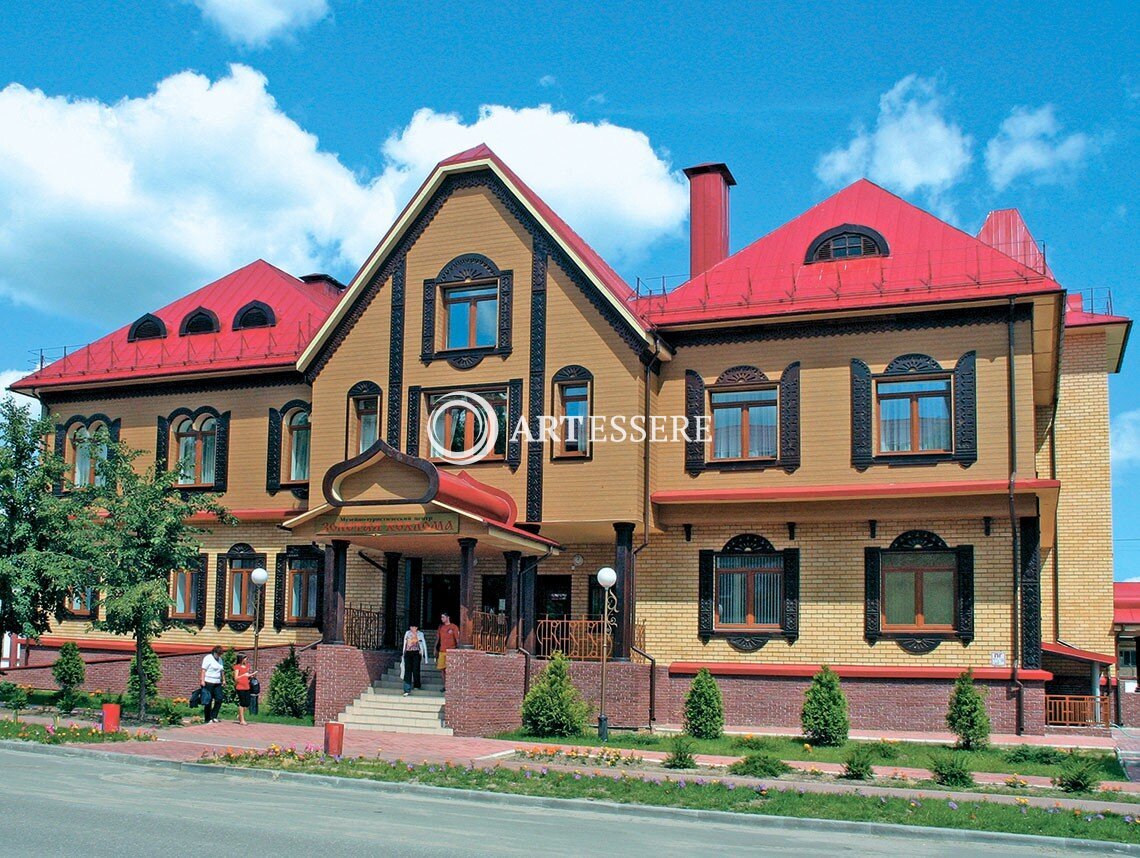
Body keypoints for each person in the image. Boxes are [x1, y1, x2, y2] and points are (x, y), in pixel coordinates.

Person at [435, 613, 460, 692]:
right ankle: (445, 685)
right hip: (442, 650)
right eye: (441, 617)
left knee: (450, 669)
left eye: (443, 617)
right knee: (442, 669)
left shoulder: (453, 627)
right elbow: (438, 639)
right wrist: (435, 648)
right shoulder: (440, 627)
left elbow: (457, 639)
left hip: (451, 651)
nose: (441, 618)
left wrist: (458, 649)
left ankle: (451, 685)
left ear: (448, 617)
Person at [199, 645, 225, 724]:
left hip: (217, 682)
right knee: (208, 700)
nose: (219, 655)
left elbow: (222, 670)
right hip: (208, 681)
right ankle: (207, 718)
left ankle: (214, 715)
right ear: (214, 652)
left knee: (219, 699)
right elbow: (203, 670)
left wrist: (223, 680)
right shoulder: (208, 658)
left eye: (220, 654)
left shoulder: (220, 659)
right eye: (218, 654)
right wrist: (202, 680)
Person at [401, 624, 427, 697]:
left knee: (416, 669)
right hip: (408, 652)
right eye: (411, 627)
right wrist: (404, 652)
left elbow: (423, 644)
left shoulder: (420, 634)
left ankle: (417, 685)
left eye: (414, 627)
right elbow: (405, 643)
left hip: (416, 653)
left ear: (417, 627)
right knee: (407, 670)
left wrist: (422, 652)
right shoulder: (407, 633)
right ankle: (406, 689)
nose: (412, 628)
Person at [233, 653, 257, 726]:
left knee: (247, 703)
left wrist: (251, 676)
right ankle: (242, 720)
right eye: (245, 658)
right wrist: (244, 675)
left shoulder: (247, 666)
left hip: (247, 686)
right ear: (241, 659)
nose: (246, 660)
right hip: (240, 687)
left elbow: (247, 677)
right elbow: (236, 678)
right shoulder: (237, 667)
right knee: (242, 702)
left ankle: (240, 715)